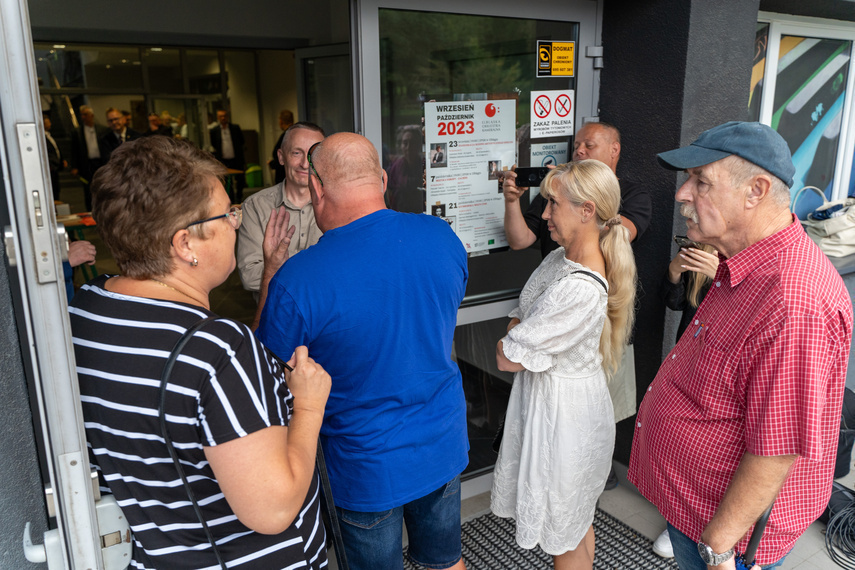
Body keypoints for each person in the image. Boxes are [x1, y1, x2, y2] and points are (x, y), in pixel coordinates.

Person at [69, 136, 330, 569]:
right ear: (184, 244)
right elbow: (274, 509)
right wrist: (307, 406)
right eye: (227, 214)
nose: (236, 223)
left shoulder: (87, 309)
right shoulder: (218, 349)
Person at [629, 121, 853, 570]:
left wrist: (719, 548)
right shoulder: (744, 264)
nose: (682, 194)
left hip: (723, 534)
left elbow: (777, 449)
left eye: (701, 181)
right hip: (695, 507)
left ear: (756, 190)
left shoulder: (794, 301)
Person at [256, 132, 469, 570]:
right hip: (441, 443)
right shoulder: (442, 237)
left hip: (364, 467)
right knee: (446, 563)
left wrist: (270, 272)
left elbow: (265, 372)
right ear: (383, 182)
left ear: (316, 187)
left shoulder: (297, 280)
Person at [491, 159, 637, 570]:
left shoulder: (579, 288)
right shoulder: (559, 260)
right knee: (576, 523)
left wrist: (520, 329)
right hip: (558, 406)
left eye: (553, 204)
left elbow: (507, 354)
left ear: (587, 210)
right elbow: (519, 323)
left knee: (566, 535)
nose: (546, 214)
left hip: (565, 421)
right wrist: (522, 327)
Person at [502, 120, 652, 489]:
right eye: (577, 145)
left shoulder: (631, 196)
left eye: (589, 145)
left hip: (588, 346)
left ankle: (596, 476)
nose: (579, 150)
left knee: (580, 471)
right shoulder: (558, 258)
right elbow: (522, 240)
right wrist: (515, 202)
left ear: (614, 151)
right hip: (557, 355)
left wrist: (571, 195)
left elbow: (615, 233)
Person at [651, 241, 719, 559]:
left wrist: (721, 275)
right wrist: (677, 269)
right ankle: (677, 521)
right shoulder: (701, 251)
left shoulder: (743, 263)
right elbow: (675, 303)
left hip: (721, 378)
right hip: (688, 365)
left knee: (712, 458)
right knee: (682, 450)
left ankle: (712, 529)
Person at [238, 122, 325, 296]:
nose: (305, 164)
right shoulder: (255, 206)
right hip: (275, 318)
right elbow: (250, 276)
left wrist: (275, 266)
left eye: (312, 154)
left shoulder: (336, 203)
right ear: (281, 156)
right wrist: (319, 268)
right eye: (296, 153)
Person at [70, 105, 108, 211]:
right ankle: (90, 211)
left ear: (91, 115)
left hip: (100, 162)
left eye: (85, 114)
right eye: (82, 115)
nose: (83, 117)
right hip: (86, 164)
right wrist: (74, 166)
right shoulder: (77, 132)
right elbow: (74, 150)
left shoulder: (102, 130)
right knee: (88, 190)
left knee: (103, 187)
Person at [385, 124, 425, 213]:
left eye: (413, 143)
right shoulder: (394, 168)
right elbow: (389, 193)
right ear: (401, 146)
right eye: (405, 143)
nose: (408, 147)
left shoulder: (424, 165)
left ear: (418, 145)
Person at [210, 109, 246, 203]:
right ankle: (230, 199)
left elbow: (242, 141)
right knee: (226, 180)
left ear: (227, 117)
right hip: (223, 160)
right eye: (221, 116)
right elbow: (214, 144)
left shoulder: (235, 128)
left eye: (224, 116)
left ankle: (239, 197)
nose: (223, 118)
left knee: (240, 179)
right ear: (218, 118)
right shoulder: (214, 131)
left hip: (236, 158)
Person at [43, 112, 65, 201]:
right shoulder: (42, 137)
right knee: (52, 191)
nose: (50, 124)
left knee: (56, 190)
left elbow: (56, 150)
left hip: (55, 168)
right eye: (48, 122)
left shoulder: (49, 135)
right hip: (50, 169)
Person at [270, 109, 295, 184]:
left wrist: (272, 163)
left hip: (284, 175)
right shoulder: (296, 134)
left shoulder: (285, 136)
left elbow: (281, 156)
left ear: (281, 121)